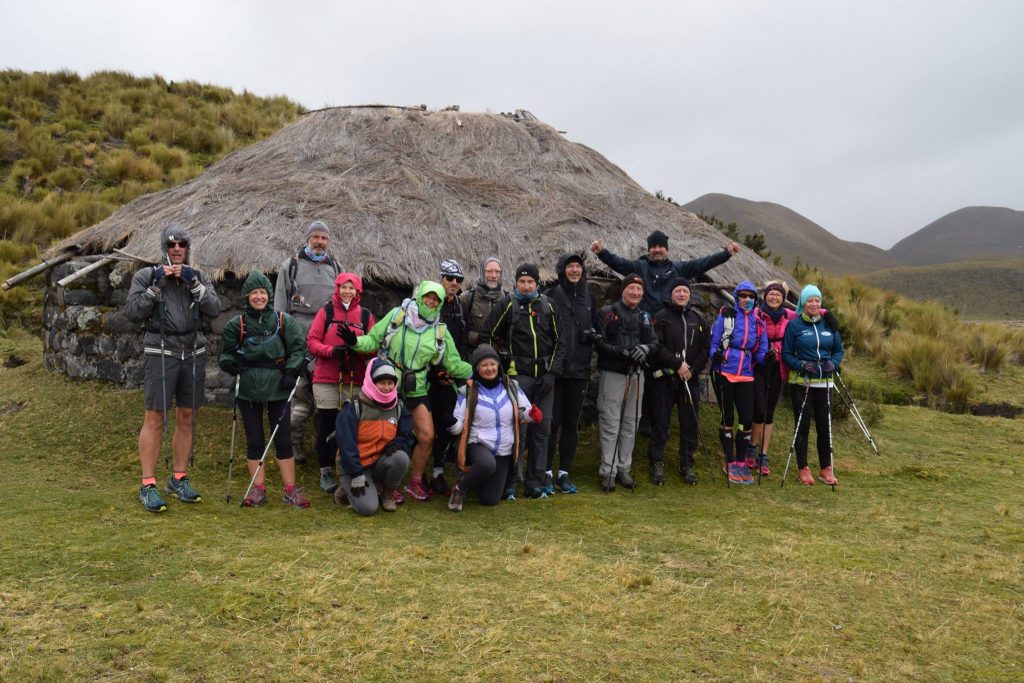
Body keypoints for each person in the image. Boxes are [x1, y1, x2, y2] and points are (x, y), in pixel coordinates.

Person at [338, 280, 472, 501]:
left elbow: (453, 363)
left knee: (427, 436)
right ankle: (384, 481)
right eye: (427, 297)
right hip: (387, 386)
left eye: (436, 299)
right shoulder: (397, 316)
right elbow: (373, 340)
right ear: (420, 297)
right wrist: (355, 342)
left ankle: (415, 482)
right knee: (384, 435)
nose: (430, 301)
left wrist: (479, 371)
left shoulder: (440, 330)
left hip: (417, 388)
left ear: (440, 303)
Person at [125, 222, 221, 512]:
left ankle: (179, 478)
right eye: (171, 244)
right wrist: (156, 287)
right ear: (163, 248)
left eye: (182, 244)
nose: (177, 249)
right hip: (161, 350)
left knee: (187, 415)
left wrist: (194, 284)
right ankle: (148, 484)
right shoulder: (146, 275)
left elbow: (214, 309)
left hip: (193, 350)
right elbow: (132, 312)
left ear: (188, 248)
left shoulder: (199, 276)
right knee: (155, 417)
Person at [218, 271, 309, 508]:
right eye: (254, 293)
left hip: (279, 387)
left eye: (262, 293)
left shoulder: (283, 321)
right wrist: (231, 364)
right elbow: (225, 354)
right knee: (255, 440)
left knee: (284, 439)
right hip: (248, 389)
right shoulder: (235, 325)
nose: (259, 297)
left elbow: (299, 348)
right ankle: (258, 490)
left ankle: (290, 489)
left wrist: (291, 370)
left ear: (269, 295)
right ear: (247, 296)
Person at [485, 262, 563, 499]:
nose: (526, 286)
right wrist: (499, 368)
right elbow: (490, 336)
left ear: (537, 283)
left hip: (545, 377)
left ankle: (535, 482)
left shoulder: (549, 305)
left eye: (530, 282)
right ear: (516, 283)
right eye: (522, 282)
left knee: (543, 427)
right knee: (519, 428)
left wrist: (552, 373)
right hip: (518, 376)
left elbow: (561, 342)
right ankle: (510, 481)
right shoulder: (507, 304)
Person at [274, 220, 343, 465]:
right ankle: (293, 444)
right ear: (308, 239)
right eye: (315, 237)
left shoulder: (335, 267)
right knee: (300, 396)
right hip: (298, 340)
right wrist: (283, 339)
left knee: (324, 395)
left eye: (323, 238)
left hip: (325, 342)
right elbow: (280, 305)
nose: (319, 242)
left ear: (328, 241)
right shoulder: (290, 266)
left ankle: (322, 444)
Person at [305, 272, 375, 494]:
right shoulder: (326, 311)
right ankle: (325, 471)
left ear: (358, 291)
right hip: (327, 377)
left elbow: (373, 346)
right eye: (343, 287)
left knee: (350, 427)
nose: (347, 291)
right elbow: (312, 342)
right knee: (326, 424)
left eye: (351, 288)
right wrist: (331, 351)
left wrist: (356, 347)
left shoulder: (365, 316)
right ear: (337, 288)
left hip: (354, 379)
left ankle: (348, 468)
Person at [447, 345, 540, 511]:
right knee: (487, 464)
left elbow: (523, 413)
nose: (489, 368)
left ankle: (474, 480)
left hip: (504, 450)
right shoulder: (467, 390)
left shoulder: (511, 386)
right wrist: (449, 422)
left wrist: (532, 415)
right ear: (477, 368)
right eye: (484, 365)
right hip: (478, 443)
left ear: (498, 365)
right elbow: (458, 425)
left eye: (492, 364)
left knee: (490, 499)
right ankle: (459, 488)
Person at [595, 274, 657, 492]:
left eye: (639, 289)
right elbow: (599, 342)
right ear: (623, 290)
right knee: (611, 421)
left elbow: (654, 342)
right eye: (632, 288)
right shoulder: (607, 313)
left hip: (637, 374)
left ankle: (624, 468)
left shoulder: (645, 317)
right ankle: (608, 471)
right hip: (613, 372)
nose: (636, 293)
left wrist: (645, 349)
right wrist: (622, 352)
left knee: (631, 422)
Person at [544, 252, 598, 494]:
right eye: (570, 266)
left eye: (578, 266)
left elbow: (595, 325)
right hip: (557, 370)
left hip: (579, 369)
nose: (574, 270)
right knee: (551, 422)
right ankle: (545, 471)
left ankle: (564, 472)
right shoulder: (551, 296)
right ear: (562, 269)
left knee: (570, 423)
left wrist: (592, 336)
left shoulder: (589, 297)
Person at [782, 284, 845, 486]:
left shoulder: (828, 324)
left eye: (817, 300)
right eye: (810, 300)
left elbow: (838, 350)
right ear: (803, 303)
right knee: (803, 427)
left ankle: (826, 468)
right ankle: (803, 468)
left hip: (824, 383)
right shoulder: (795, 326)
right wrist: (801, 364)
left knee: (824, 427)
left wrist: (832, 364)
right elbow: (786, 355)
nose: (814, 304)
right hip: (802, 383)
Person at [648, 277, 709, 485]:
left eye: (685, 291)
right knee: (661, 422)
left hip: (689, 379)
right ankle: (657, 463)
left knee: (689, 424)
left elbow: (705, 348)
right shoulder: (661, 317)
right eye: (678, 291)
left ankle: (687, 464)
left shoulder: (698, 318)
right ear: (671, 295)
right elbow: (656, 346)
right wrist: (677, 364)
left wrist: (692, 369)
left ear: (689, 294)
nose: (682, 294)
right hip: (666, 378)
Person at [590, 231, 740, 314]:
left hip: (671, 323)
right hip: (646, 322)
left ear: (666, 249)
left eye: (660, 246)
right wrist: (601, 252)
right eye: (653, 247)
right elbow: (618, 263)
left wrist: (726, 253)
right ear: (649, 250)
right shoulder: (639, 267)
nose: (657, 249)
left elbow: (703, 263)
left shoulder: (678, 268)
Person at [333, 359, 414, 515]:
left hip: (377, 462)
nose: (387, 387)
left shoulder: (399, 406)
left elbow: (407, 434)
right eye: (381, 383)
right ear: (371, 382)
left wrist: (398, 443)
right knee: (368, 509)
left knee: (401, 457)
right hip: (354, 466)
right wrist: (356, 473)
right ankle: (344, 489)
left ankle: (388, 493)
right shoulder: (354, 406)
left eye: (390, 382)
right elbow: (345, 444)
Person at [709, 280, 768, 485]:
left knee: (747, 419)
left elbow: (760, 350)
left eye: (751, 296)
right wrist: (714, 355)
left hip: (746, 373)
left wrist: (765, 358)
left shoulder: (759, 321)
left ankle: (741, 462)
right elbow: (715, 343)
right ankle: (730, 461)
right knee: (728, 417)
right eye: (743, 295)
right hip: (724, 371)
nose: (747, 300)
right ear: (736, 297)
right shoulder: (726, 317)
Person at [427, 259, 469, 496]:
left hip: (452, 374)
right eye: (449, 278)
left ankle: (438, 472)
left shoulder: (459, 305)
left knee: (446, 423)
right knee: (425, 426)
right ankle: (420, 473)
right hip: (430, 374)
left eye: (458, 279)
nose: (454, 283)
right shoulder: (432, 304)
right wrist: (436, 371)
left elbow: (461, 339)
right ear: (440, 278)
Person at [750, 281, 795, 477]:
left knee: (769, 412)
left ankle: (763, 454)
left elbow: (811, 310)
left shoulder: (788, 315)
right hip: (759, 366)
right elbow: (738, 313)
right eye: (771, 294)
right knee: (759, 410)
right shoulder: (756, 314)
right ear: (765, 296)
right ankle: (752, 447)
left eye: (778, 294)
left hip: (778, 367)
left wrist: (826, 313)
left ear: (783, 298)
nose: (774, 297)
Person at [460, 256, 506, 354]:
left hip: (501, 359)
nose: (494, 275)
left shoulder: (507, 299)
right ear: (481, 272)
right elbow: (457, 331)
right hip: (474, 356)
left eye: (497, 271)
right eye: (489, 271)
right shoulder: (467, 298)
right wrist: (478, 338)